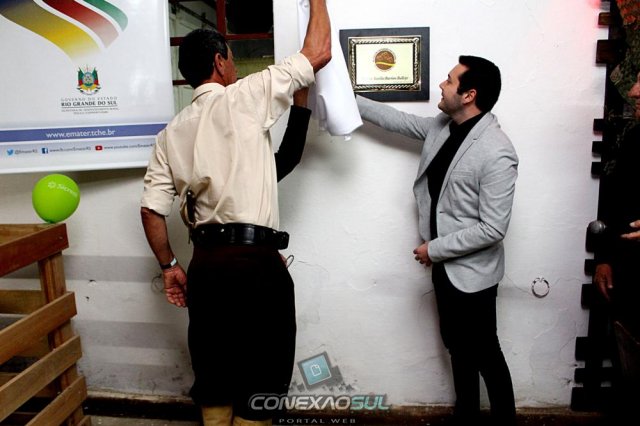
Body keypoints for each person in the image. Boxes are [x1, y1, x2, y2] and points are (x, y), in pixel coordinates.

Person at [139, 1, 331, 424]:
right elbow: (319, 51)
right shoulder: (243, 98)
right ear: (219, 61)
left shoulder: (170, 134)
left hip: (206, 270)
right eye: (231, 59)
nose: (236, 68)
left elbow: (151, 210)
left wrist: (169, 267)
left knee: (214, 373)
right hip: (256, 268)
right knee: (264, 376)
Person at [357, 56, 518, 426]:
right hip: (445, 269)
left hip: (473, 274)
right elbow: (395, 120)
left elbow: (493, 228)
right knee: (458, 349)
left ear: (469, 95)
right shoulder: (442, 128)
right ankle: (466, 416)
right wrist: (338, 95)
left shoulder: (497, 150)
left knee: (486, 353)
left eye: (449, 80)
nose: (441, 86)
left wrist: (434, 249)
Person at [593, 70, 640, 422]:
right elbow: (617, 203)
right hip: (631, 277)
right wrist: (605, 258)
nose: (634, 91)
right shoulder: (636, 139)